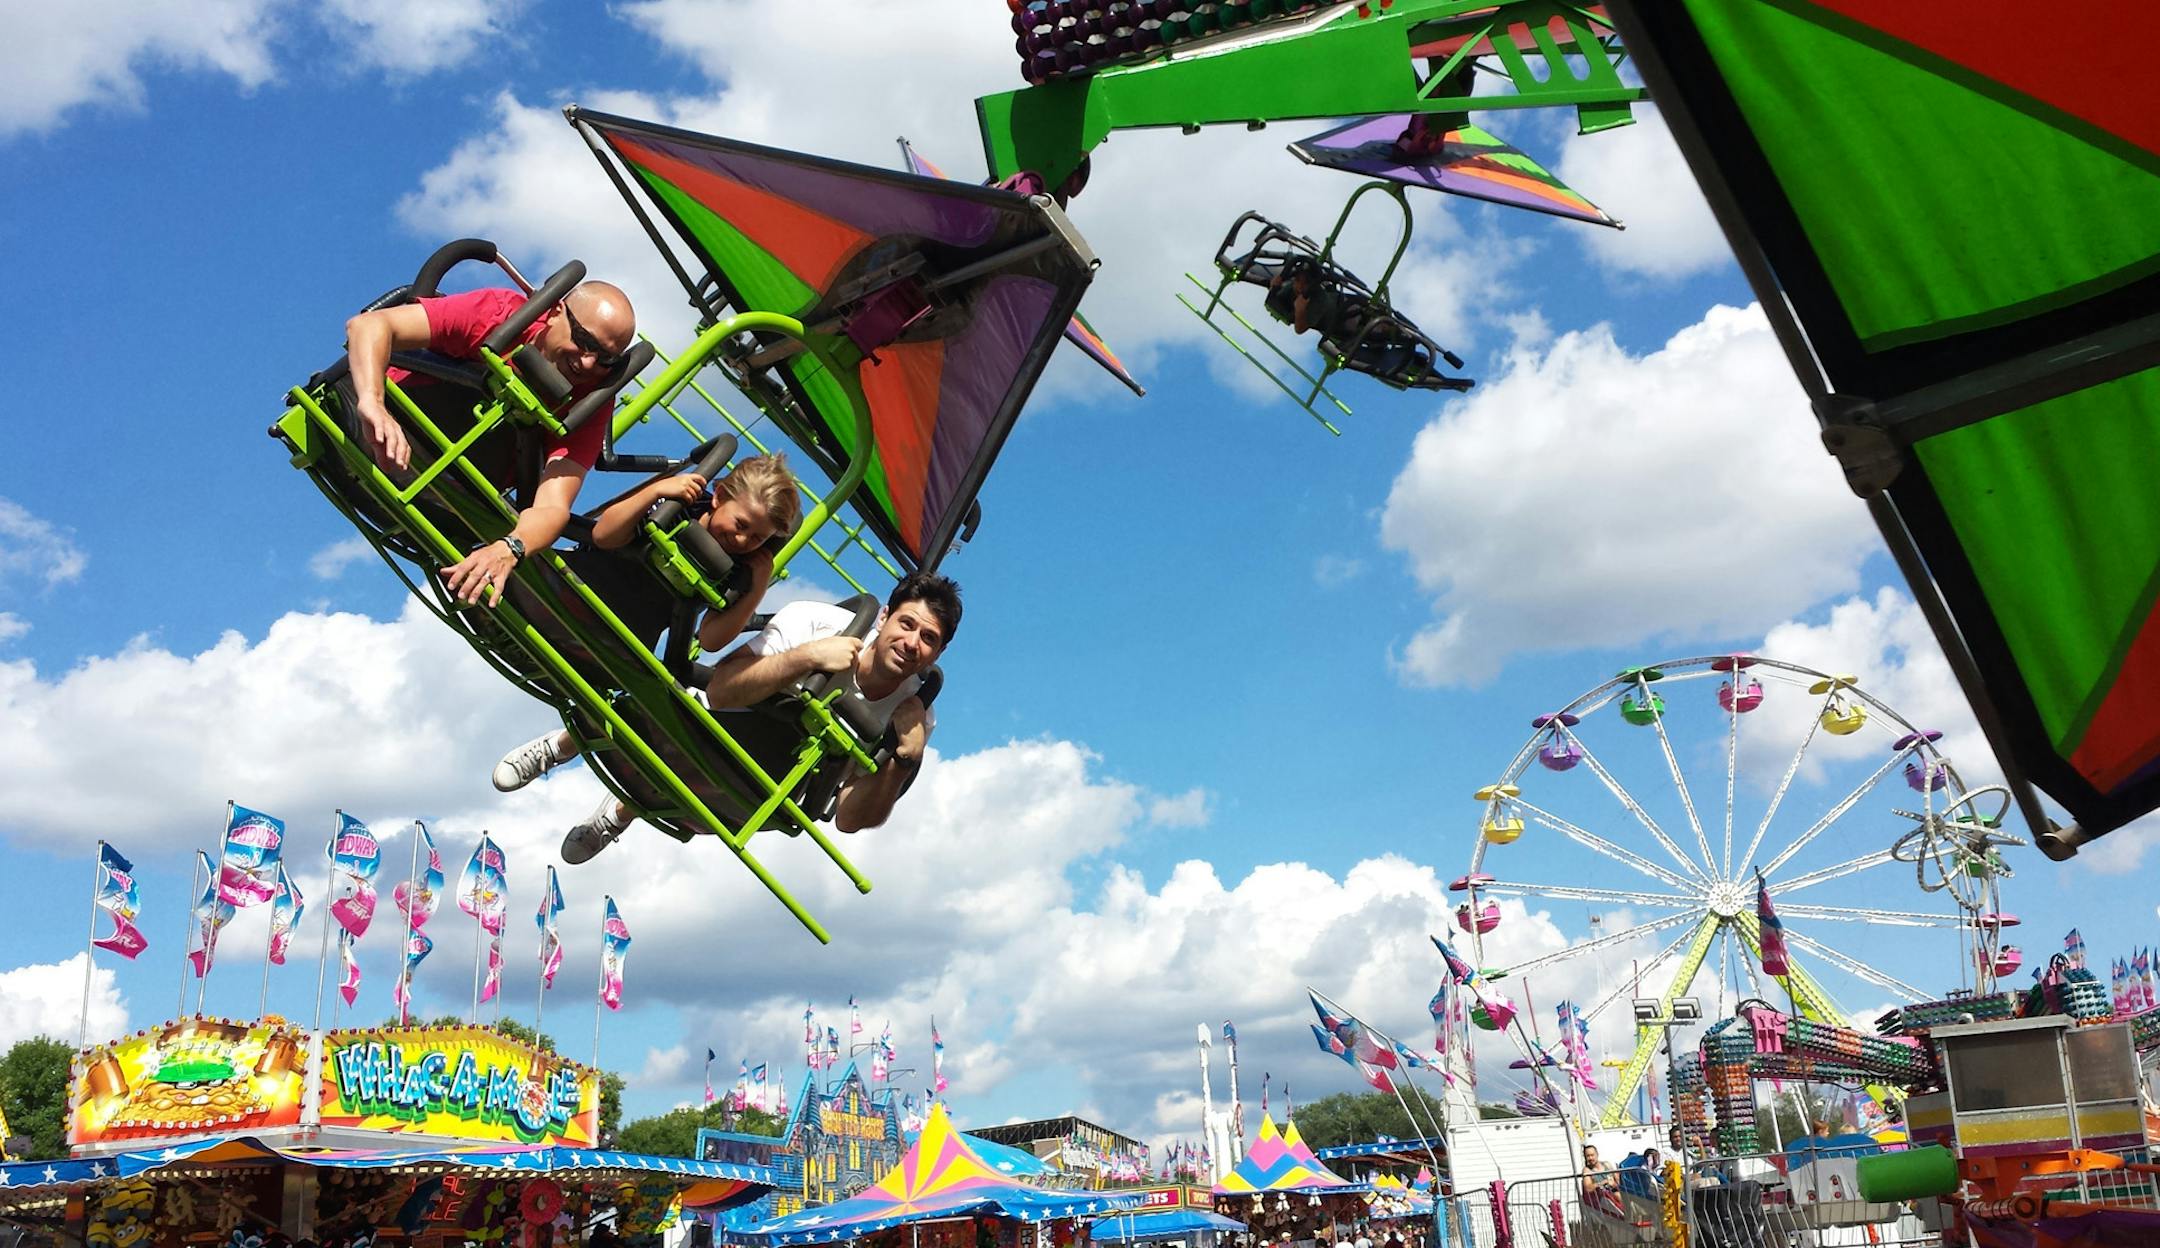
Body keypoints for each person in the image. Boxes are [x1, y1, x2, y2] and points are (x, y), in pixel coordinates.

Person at [553, 569, 960, 862]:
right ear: (885, 616)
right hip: (703, 724)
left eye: (928, 639)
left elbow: (850, 820)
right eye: (907, 624)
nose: (911, 643)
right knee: (656, 709)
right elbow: (721, 689)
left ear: (938, 654)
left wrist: (905, 761)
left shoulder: (914, 717)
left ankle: (621, 812)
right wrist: (805, 657)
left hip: (753, 781)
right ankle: (563, 743)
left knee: (728, 777)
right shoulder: (818, 623)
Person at [489, 453, 803, 798]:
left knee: (650, 701)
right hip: (571, 586)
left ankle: (561, 748)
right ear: (719, 494)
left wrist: (757, 585)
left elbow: (712, 640)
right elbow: (605, 535)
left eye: (758, 539)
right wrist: (654, 493)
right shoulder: (680, 504)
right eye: (741, 525)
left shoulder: (738, 568)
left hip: (619, 646)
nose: (743, 541)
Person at [342, 280, 637, 609]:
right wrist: (372, 402)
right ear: (555, 312)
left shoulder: (590, 401)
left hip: (453, 498)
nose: (586, 363)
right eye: (584, 341)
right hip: (388, 426)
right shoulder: (502, 314)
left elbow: (554, 504)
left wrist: (511, 546)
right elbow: (369, 325)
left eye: (605, 359)